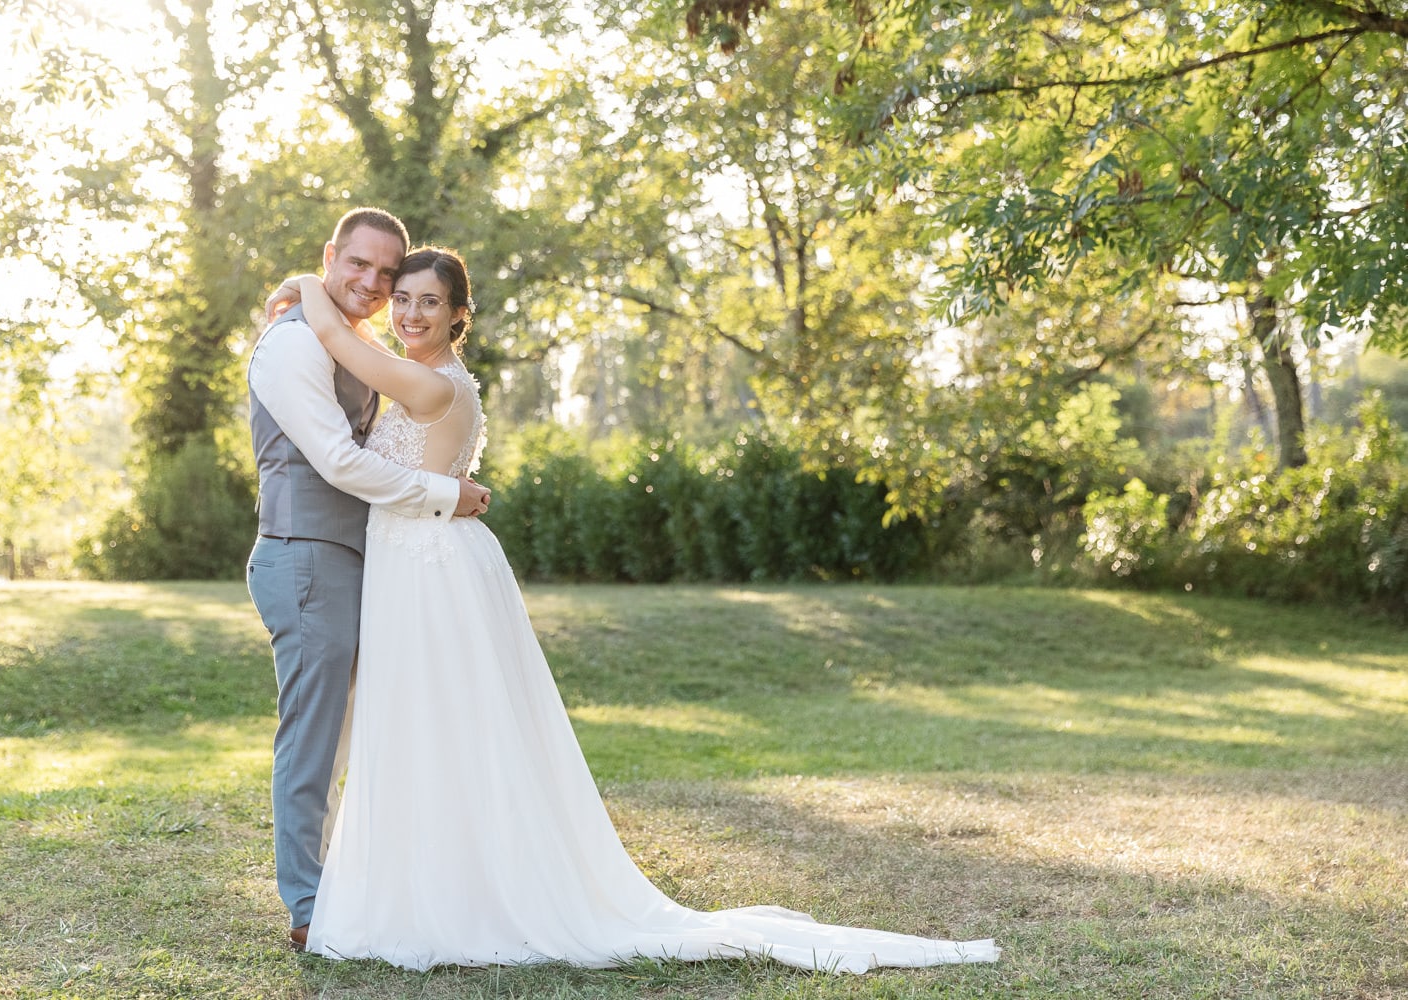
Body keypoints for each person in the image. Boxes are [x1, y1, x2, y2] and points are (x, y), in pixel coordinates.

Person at [266, 247, 1000, 973]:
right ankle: (423, 882)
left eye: (429, 301)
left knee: (449, 726)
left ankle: (460, 896)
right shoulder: (419, 373)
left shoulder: (434, 386)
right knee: (422, 726)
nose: (409, 313)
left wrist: (306, 280)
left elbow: (335, 341)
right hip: (415, 560)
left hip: (430, 567)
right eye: (403, 298)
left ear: (460, 315)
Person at [246, 209, 491, 954]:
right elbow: (340, 461)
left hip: (363, 560)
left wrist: (302, 285)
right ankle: (309, 904)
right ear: (331, 257)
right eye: (357, 265)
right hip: (304, 555)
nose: (373, 284)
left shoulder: (358, 346)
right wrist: (448, 495)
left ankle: (357, 881)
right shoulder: (291, 345)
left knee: (364, 733)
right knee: (316, 736)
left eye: (388, 274)